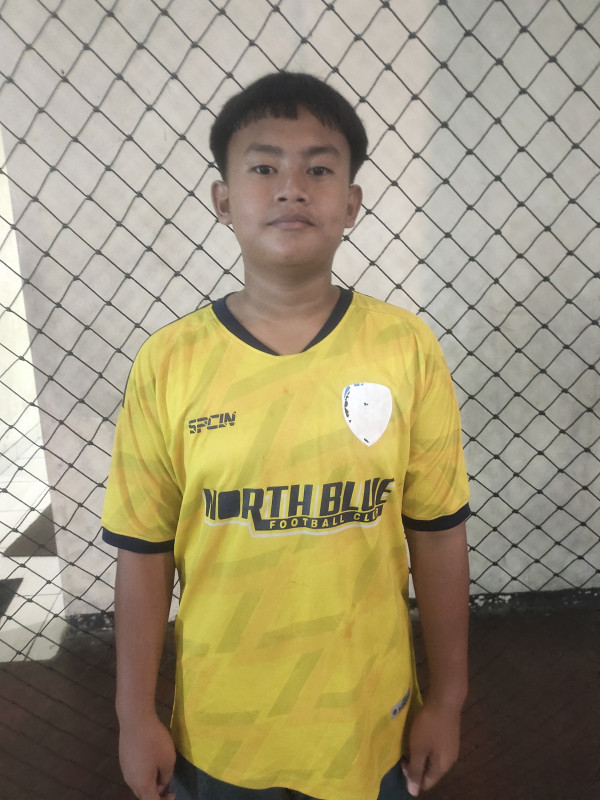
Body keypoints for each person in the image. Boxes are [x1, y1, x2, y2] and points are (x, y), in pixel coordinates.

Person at [102, 71, 471, 800]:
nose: (292, 188)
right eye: (265, 167)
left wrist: (449, 699)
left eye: (319, 170)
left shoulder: (405, 348)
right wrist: (132, 715)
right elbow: (143, 553)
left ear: (351, 204)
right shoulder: (169, 362)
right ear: (223, 200)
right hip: (221, 728)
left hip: (369, 720)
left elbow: (438, 535)